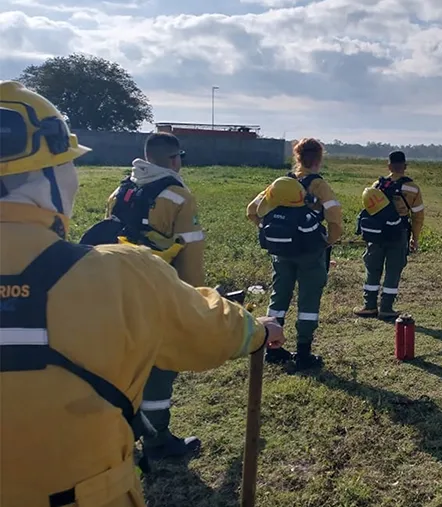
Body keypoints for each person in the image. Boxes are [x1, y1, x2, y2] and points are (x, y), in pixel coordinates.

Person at [0, 80, 286, 507]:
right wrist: (252, 328)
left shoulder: (123, 189)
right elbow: (201, 300)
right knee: (154, 375)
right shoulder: (129, 270)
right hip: (87, 494)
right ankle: (158, 433)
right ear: (54, 180)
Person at [101, 132, 209, 460]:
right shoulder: (178, 195)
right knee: (160, 366)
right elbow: (190, 252)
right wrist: (195, 298)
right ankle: (157, 440)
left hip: (119, 290)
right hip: (158, 292)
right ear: (175, 159)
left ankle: (120, 435)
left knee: (126, 363)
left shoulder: (119, 191)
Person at [246, 138, 342, 370]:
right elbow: (335, 218)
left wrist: (267, 230)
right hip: (310, 252)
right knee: (308, 300)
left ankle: (273, 347)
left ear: (296, 157)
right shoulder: (319, 185)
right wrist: (326, 241)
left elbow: (252, 210)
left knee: (279, 297)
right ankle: (304, 352)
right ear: (319, 159)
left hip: (281, 251)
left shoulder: (282, 183)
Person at [353, 150, 425, 320]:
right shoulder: (412, 188)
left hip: (376, 234)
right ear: (405, 167)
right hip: (398, 233)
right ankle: (386, 308)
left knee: (372, 269)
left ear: (389, 166)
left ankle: (369, 306)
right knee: (393, 270)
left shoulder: (377, 184)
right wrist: (415, 237)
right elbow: (418, 217)